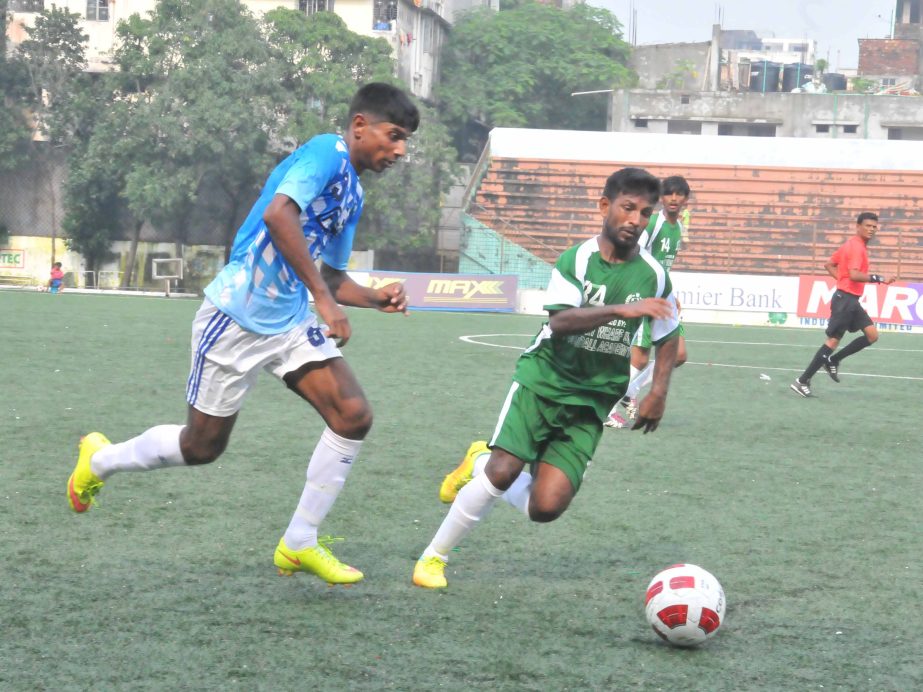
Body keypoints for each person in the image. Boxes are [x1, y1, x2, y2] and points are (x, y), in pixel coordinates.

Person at [67, 83, 420, 585]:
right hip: (236, 316)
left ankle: (299, 542)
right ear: (360, 126)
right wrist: (323, 299)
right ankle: (99, 460)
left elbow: (336, 279)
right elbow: (280, 215)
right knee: (202, 447)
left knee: (353, 414)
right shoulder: (327, 151)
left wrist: (373, 297)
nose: (401, 151)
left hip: (291, 321)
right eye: (395, 135)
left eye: (406, 141)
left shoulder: (353, 195)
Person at [412, 167, 682, 589]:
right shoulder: (576, 259)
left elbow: (670, 336)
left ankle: (477, 459)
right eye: (628, 208)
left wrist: (659, 392)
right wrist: (620, 310)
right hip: (544, 379)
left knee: (547, 507)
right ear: (604, 206)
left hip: (592, 401)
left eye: (646, 213)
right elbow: (561, 322)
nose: (636, 220)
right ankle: (433, 558)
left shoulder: (655, 275)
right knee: (503, 471)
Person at [606, 175, 690, 428]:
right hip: (647, 296)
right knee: (640, 359)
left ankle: (629, 392)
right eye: (669, 194)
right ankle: (607, 407)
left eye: (679, 194)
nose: (674, 199)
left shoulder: (678, 227)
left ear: (686, 199)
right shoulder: (653, 223)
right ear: (661, 198)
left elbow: (662, 265)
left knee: (678, 355)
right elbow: (635, 252)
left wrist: (670, 294)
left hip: (662, 296)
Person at [791, 212, 894, 397]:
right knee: (832, 341)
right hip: (845, 300)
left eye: (874, 226)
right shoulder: (856, 248)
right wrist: (879, 278)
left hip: (850, 299)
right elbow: (854, 275)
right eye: (868, 226)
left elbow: (829, 264)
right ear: (858, 226)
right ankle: (802, 381)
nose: (871, 229)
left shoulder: (851, 244)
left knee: (872, 335)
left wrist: (842, 280)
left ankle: (833, 361)